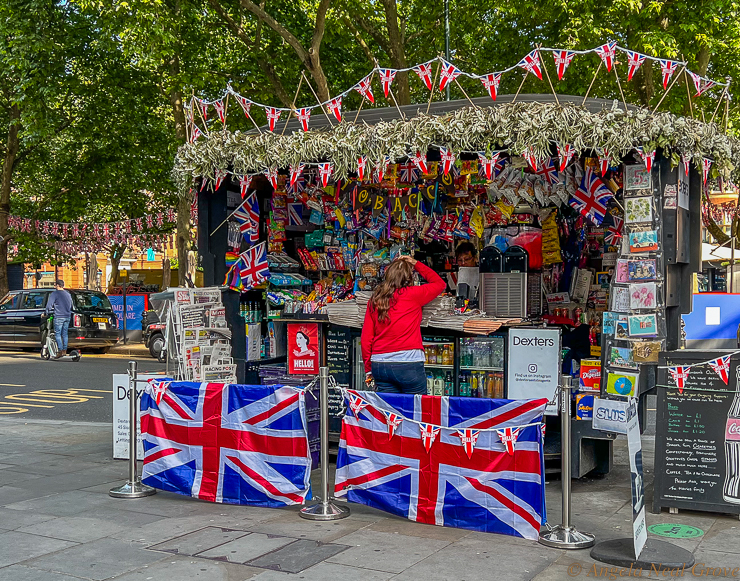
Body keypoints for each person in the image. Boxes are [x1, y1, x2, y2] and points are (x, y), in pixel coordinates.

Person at [361, 255, 446, 393]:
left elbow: (366, 338)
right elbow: (439, 284)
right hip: (408, 362)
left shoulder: (375, 299)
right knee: (415, 409)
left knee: (388, 411)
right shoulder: (414, 294)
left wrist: (368, 369)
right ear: (409, 278)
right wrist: (416, 263)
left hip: (380, 364)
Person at [45, 279, 73, 358]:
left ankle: (60, 350)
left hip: (59, 316)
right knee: (65, 334)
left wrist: (46, 313)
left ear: (57, 285)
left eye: (55, 285)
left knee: (57, 334)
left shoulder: (55, 294)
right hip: (67, 316)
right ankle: (64, 350)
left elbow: (49, 305)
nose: (55, 287)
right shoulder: (68, 294)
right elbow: (71, 305)